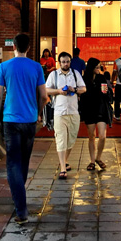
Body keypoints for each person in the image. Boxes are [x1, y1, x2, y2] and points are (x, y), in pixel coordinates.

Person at [0, 33, 48, 224]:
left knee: (13, 163)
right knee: (24, 160)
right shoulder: (36, 67)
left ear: (13, 46)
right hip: (30, 120)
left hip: (11, 121)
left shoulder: (4, 66)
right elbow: (44, 96)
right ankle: (19, 196)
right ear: (29, 48)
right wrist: (38, 113)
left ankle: (21, 208)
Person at [46, 51, 86, 179]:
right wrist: (58, 91)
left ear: (70, 62)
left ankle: (64, 160)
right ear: (59, 63)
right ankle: (63, 168)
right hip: (59, 112)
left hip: (73, 111)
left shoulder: (75, 74)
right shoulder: (54, 75)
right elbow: (46, 89)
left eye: (67, 61)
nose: (65, 64)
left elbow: (83, 88)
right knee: (61, 138)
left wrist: (73, 89)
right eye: (63, 62)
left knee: (72, 138)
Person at [80, 57, 113, 171]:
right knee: (91, 136)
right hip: (89, 109)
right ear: (91, 67)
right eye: (97, 67)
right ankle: (92, 161)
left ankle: (99, 157)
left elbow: (106, 92)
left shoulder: (101, 77)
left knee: (102, 136)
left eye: (99, 67)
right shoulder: (84, 79)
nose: (99, 69)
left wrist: (106, 92)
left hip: (101, 108)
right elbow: (82, 95)